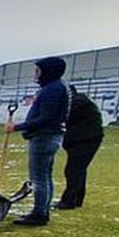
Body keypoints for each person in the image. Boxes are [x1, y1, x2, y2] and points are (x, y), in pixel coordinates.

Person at [6, 56, 71, 226]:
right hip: (49, 136)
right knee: (45, 176)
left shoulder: (53, 89)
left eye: (38, 70)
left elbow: (46, 117)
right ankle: (42, 210)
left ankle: (39, 213)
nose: (36, 74)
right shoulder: (54, 87)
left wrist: (17, 127)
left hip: (45, 136)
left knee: (39, 177)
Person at [56, 88, 104, 210]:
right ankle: (76, 199)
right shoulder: (80, 101)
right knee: (78, 170)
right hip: (85, 139)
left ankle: (69, 201)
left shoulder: (77, 103)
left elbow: (61, 117)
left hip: (86, 140)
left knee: (73, 170)